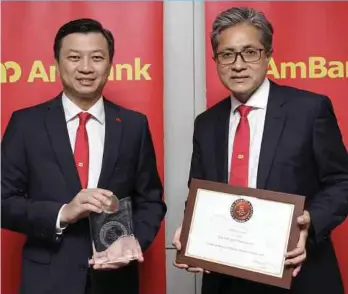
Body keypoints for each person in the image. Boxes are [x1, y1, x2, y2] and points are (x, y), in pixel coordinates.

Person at [172, 6, 348, 294]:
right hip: (225, 280)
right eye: (227, 54)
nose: (238, 64)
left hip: (298, 276)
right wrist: (191, 232)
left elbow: (342, 182)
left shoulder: (309, 110)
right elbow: (199, 192)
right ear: (216, 60)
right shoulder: (206, 123)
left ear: (268, 55)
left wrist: (310, 224)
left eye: (250, 52)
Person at [1, 18, 166, 294]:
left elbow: (150, 201)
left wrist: (133, 240)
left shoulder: (134, 125)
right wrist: (63, 213)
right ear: (57, 63)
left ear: (110, 64)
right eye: (74, 57)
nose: (86, 68)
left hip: (116, 283)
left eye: (97, 58)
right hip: (47, 283)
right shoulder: (26, 124)